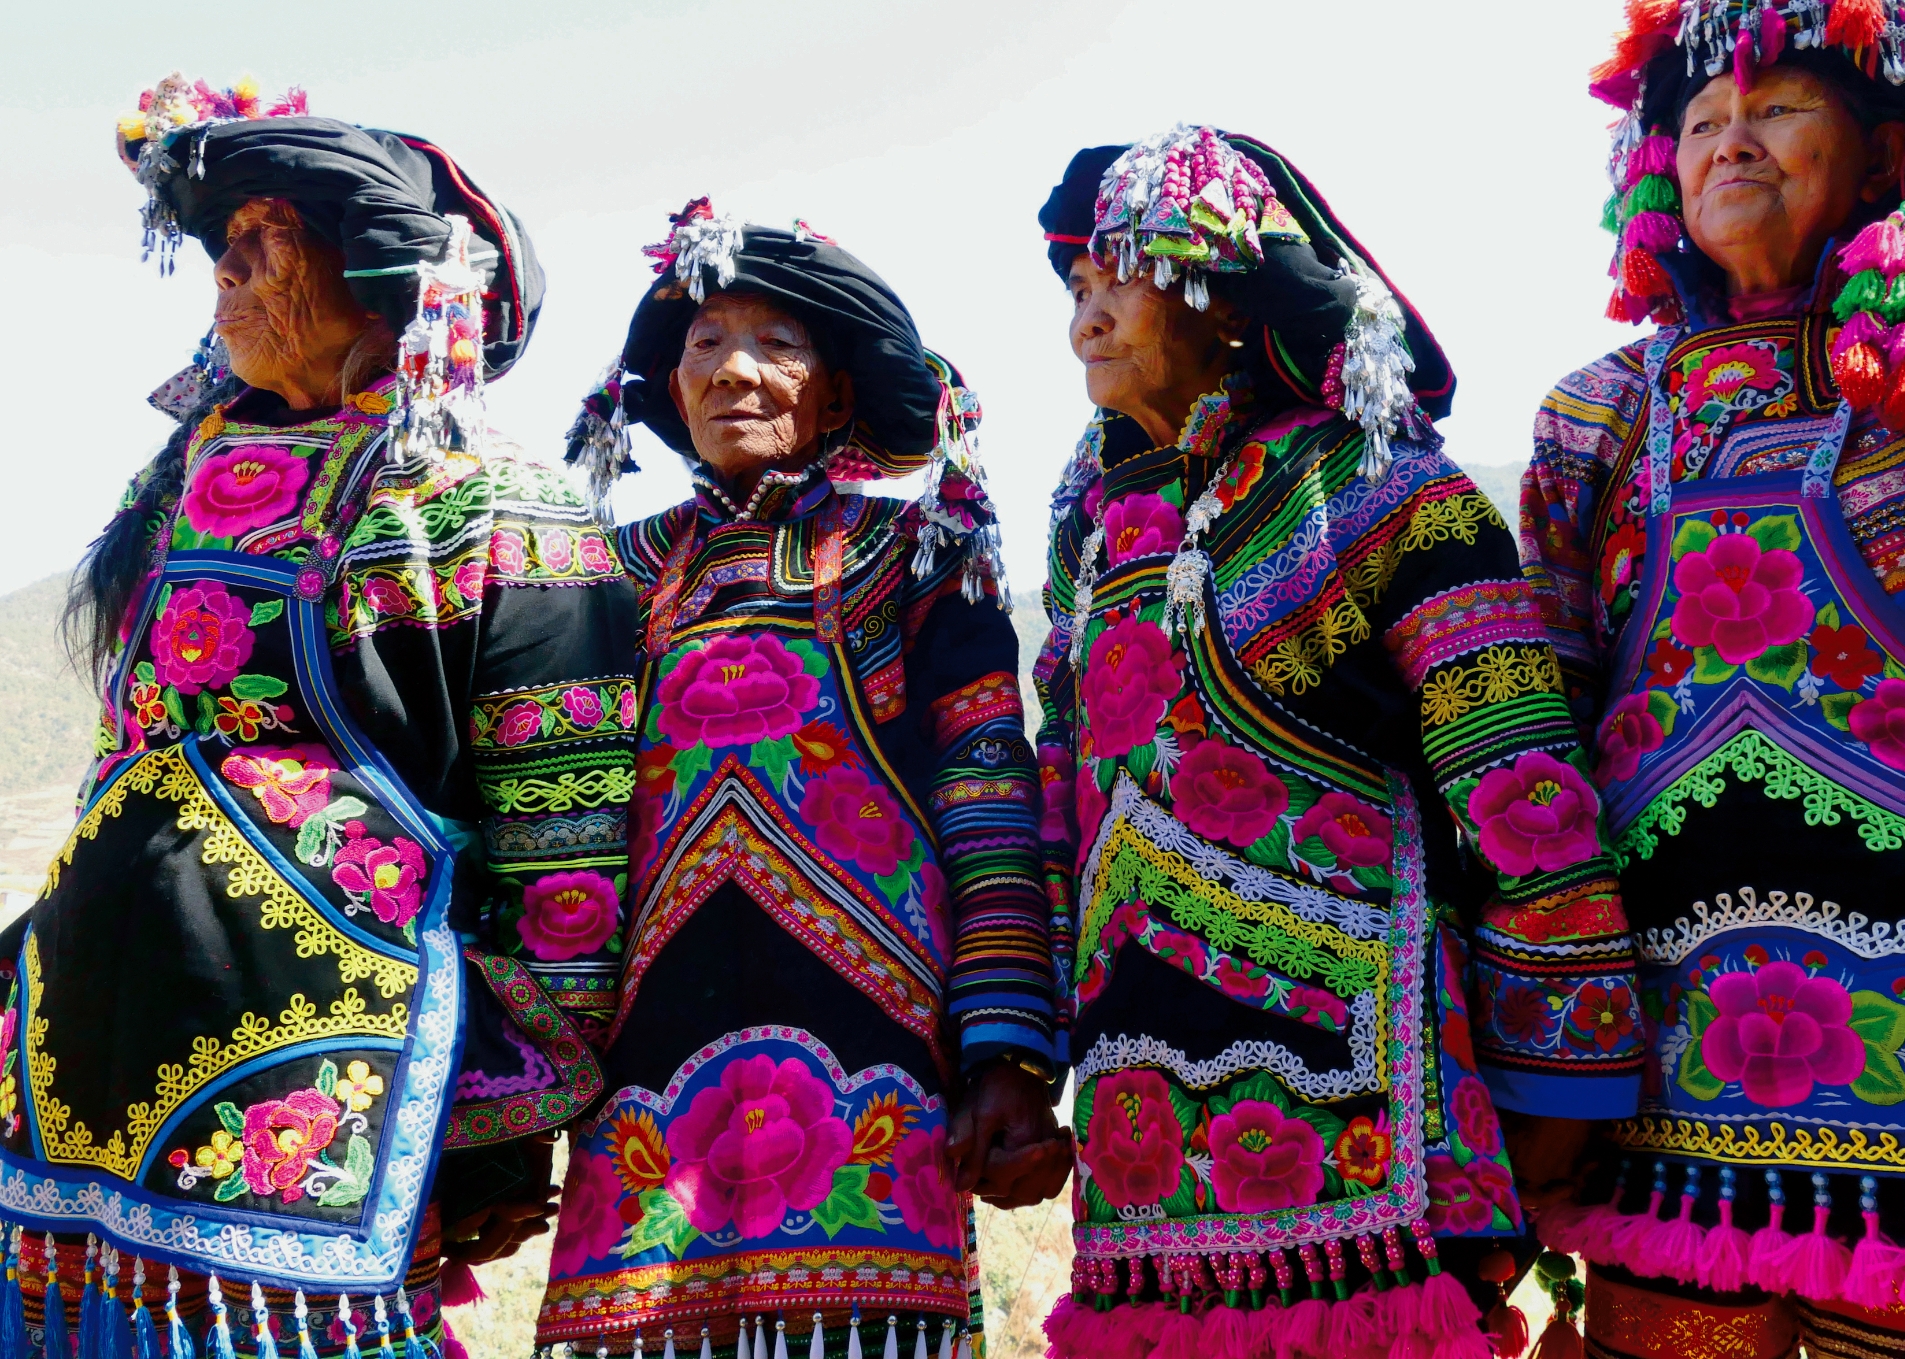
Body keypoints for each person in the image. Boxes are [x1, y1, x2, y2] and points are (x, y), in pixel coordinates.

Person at [0, 74, 639, 1355]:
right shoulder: (178, 479)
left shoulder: (494, 503)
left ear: (384, 280)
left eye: (263, 247)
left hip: (323, 1065)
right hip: (93, 1034)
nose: (226, 279)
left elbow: (565, 843)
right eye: (221, 249)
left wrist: (498, 1130)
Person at [1030, 125, 1643, 1359]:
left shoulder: (1378, 489)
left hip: (1372, 1124)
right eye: (1074, 280)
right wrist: (1016, 1039)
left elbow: (1522, 789)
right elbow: (1062, 795)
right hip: (1135, 1130)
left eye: (1122, 269)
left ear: (1226, 295)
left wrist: (1559, 1088)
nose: (1087, 304)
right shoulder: (1092, 526)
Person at [1521, 2, 1905, 1354]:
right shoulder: (1600, 416)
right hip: (1672, 1086)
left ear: (1882, 162)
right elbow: (1535, 760)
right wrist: (1546, 1057)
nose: (1729, 141)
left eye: (1777, 110)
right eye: (1699, 123)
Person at [536, 202, 1065, 1357]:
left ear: (833, 396)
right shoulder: (601, 578)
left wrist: (1006, 1048)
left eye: (776, 345)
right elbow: (549, 828)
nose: (734, 370)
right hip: (646, 1053)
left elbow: (986, 795)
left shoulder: (918, 555)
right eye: (704, 343)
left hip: (876, 1043)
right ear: (669, 392)